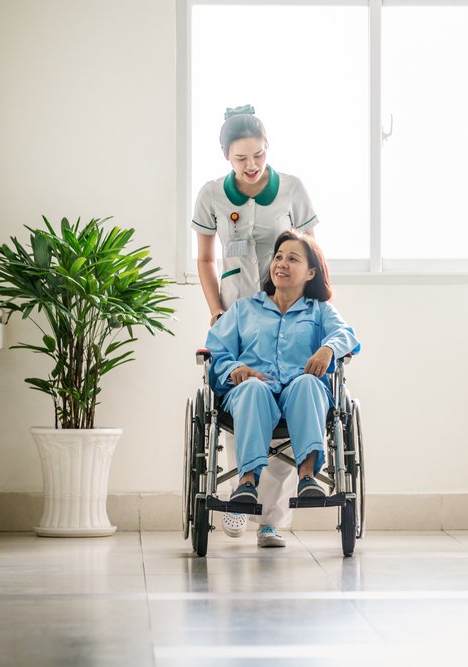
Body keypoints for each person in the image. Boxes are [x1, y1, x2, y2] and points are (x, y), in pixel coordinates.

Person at [191, 105, 320, 548]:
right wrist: (215, 311)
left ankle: (269, 518)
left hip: (288, 309)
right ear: (226, 155)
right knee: (245, 395)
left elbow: (312, 255)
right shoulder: (211, 195)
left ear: (268, 150)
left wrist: (319, 310)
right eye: (242, 158)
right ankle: (239, 494)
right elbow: (206, 259)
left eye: (259, 156)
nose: (252, 167)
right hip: (239, 314)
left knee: (289, 397)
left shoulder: (293, 191)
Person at [205, 231, 360, 514]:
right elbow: (215, 350)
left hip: (300, 397)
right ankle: (247, 483)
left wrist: (328, 349)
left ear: (311, 271)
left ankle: (308, 477)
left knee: (308, 384)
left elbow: (346, 335)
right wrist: (235, 368)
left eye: (292, 258)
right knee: (253, 387)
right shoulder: (244, 309)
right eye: (278, 257)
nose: (281, 264)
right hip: (252, 392)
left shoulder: (320, 311)